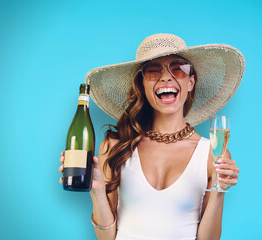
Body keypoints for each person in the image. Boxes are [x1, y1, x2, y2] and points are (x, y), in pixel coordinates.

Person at [59, 33, 245, 240]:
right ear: (143, 85)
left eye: (178, 69)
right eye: (153, 71)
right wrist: (97, 191)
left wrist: (220, 191)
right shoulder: (114, 146)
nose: (166, 77)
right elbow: (107, 238)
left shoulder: (213, 154)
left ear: (191, 82)